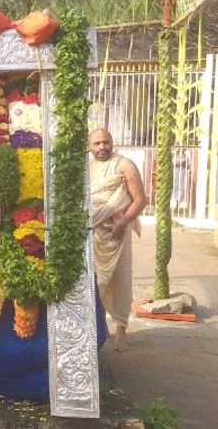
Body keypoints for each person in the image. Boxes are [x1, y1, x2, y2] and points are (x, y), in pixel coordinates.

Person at [88, 128, 146, 353]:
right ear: (90, 146)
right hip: (95, 231)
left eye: (105, 142)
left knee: (119, 280)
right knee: (98, 282)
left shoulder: (124, 165)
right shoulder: (87, 168)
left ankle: (121, 330)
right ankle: (101, 329)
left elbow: (140, 199)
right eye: (97, 143)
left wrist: (123, 223)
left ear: (112, 143)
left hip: (118, 232)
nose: (102, 147)